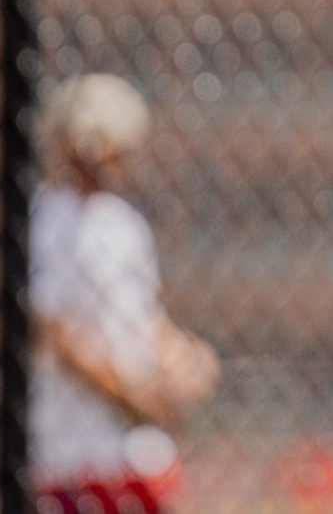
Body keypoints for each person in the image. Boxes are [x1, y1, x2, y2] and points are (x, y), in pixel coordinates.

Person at [29, 73, 220, 514]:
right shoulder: (46, 220)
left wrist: (182, 360)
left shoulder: (123, 224)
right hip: (73, 452)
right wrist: (132, 396)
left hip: (137, 447)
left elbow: (147, 320)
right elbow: (60, 337)